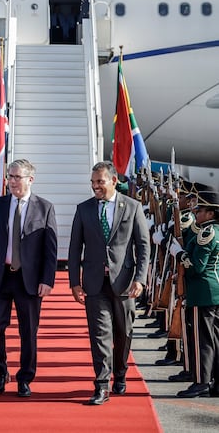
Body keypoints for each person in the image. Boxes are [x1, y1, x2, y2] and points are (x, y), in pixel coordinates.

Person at [68, 161, 150, 405]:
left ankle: (121, 373)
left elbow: (143, 246)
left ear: (114, 181)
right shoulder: (83, 209)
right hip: (94, 283)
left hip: (124, 283)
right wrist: (74, 281)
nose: (95, 187)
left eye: (100, 182)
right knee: (100, 334)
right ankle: (101, 384)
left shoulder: (133, 207)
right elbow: (74, 249)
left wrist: (140, 278)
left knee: (123, 333)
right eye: (93, 182)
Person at [0, 159, 58, 397]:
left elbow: (50, 250)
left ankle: (25, 377)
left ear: (30, 179)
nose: (12, 181)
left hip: (29, 279)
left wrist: (47, 279)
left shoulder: (45, 207)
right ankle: (1, 373)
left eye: (17, 177)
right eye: (10, 177)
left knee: (28, 331)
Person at [169, 191, 219, 398]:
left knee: (203, 340)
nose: (196, 213)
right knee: (215, 339)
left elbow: (197, 267)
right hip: (213, 291)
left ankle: (201, 381)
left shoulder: (206, 233)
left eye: (200, 210)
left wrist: (179, 254)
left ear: (210, 213)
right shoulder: (214, 230)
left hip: (202, 293)